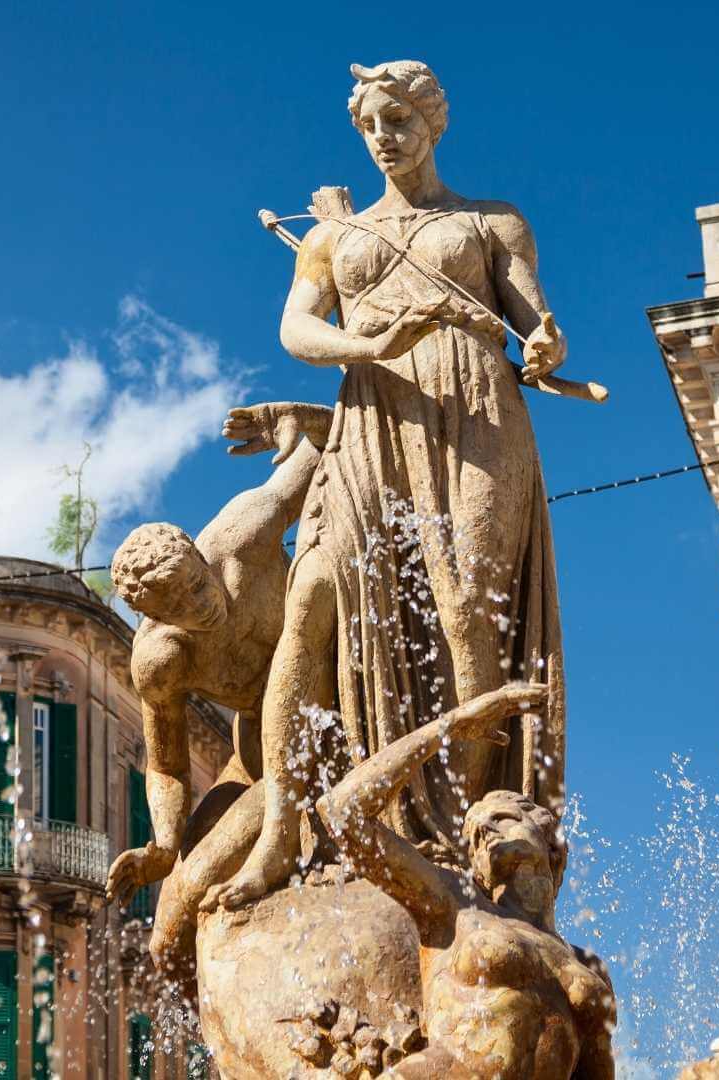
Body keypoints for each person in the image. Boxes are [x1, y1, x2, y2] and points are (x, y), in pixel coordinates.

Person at [204, 59, 568, 912]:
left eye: (397, 121)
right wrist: (366, 348)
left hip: (477, 413)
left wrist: (546, 344)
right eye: (370, 125)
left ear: (432, 124)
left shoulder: (491, 222)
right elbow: (297, 326)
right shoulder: (337, 238)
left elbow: (534, 319)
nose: (383, 137)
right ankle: (282, 831)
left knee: (470, 612)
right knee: (316, 598)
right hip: (375, 417)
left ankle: (472, 827)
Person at [106, 402, 332, 964]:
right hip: (260, 750)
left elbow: (332, 445)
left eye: (194, 585)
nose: (197, 607)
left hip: (346, 699)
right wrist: (160, 847)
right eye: (176, 606)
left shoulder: (245, 531)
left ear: (195, 552)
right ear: (151, 617)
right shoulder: (161, 661)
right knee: (177, 912)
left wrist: (296, 419)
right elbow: (167, 765)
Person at [316, 682, 615, 1079]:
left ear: (550, 843)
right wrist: (451, 725)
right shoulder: (457, 906)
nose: (485, 833)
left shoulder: (588, 965)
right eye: (474, 836)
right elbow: (341, 812)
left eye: (502, 819)